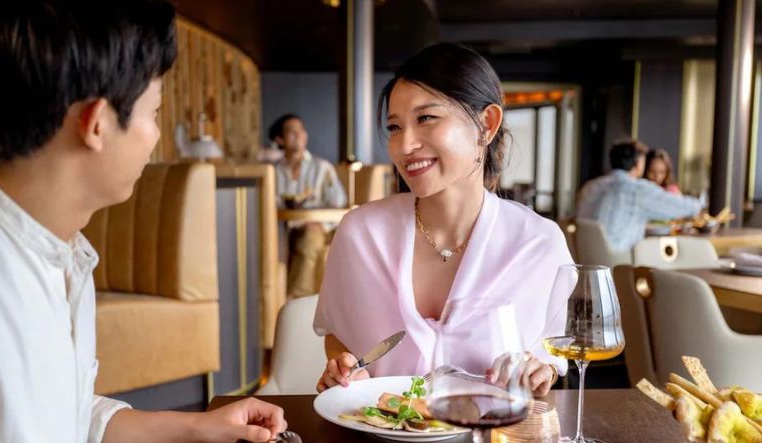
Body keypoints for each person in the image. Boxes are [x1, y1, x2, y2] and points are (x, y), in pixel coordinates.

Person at [0, 1, 286, 442]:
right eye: (154, 113)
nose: (154, 136)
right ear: (96, 124)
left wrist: (198, 427)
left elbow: (69, 417)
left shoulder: (64, 257)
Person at [312, 43, 573, 397]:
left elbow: (549, 357)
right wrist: (346, 369)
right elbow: (339, 334)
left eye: (425, 119)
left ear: (487, 124)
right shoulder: (361, 233)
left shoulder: (539, 244)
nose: (405, 146)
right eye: (394, 127)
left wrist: (540, 372)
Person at [269, 114, 347, 297]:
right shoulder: (273, 172)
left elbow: (338, 202)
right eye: (291, 131)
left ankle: (297, 301)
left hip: (317, 228)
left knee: (310, 240)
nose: (299, 135)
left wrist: (320, 224)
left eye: (301, 130)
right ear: (280, 139)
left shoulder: (321, 167)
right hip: (283, 230)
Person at [577, 140, 701, 252]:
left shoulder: (589, 187)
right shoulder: (636, 189)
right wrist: (699, 205)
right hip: (621, 262)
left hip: (587, 258)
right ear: (638, 164)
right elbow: (682, 207)